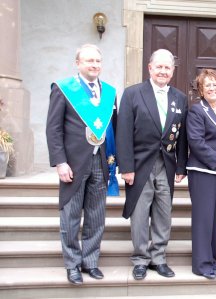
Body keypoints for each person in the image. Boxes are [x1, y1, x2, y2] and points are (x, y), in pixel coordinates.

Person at [46, 44, 117, 285]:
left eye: (97, 61)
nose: (94, 65)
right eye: (89, 61)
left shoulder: (109, 92)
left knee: (97, 215)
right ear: (78, 63)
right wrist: (60, 162)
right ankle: (72, 264)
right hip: (73, 164)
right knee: (71, 215)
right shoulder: (64, 89)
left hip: (100, 161)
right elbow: (53, 128)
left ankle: (90, 262)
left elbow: (113, 128)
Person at [116, 49, 188, 280]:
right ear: (150, 68)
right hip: (139, 165)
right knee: (139, 213)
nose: (163, 71)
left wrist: (181, 166)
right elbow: (123, 132)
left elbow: (183, 136)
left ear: (172, 71)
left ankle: (159, 258)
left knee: (163, 213)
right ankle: (140, 259)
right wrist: (125, 167)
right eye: (159, 67)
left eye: (168, 68)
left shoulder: (180, 98)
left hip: (166, 164)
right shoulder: (132, 94)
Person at [186, 69, 216, 280]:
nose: (212, 88)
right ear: (201, 91)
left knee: (215, 217)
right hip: (202, 170)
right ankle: (201, 264)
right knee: (203, 218)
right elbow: (196, 141)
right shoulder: (197, 111)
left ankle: (212, 258)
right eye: (207, 86)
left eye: (215, 84)